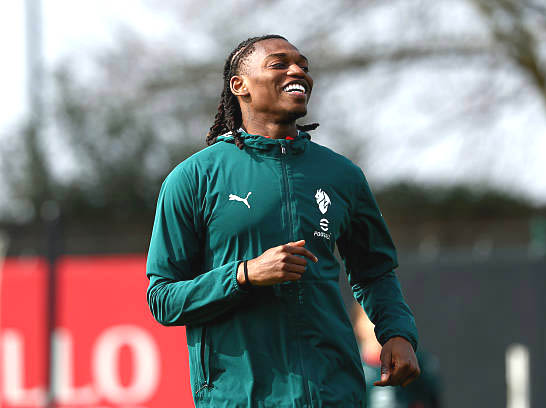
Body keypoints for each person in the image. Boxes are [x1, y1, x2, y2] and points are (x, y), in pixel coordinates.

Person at [146, 34, 420, 407]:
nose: (298, 72)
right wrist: (244, 274)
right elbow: (163, 299)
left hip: (333, 394)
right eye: (279, 64)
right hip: (239, 398)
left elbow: (375, 272)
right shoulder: (194, 177)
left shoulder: (342, 175)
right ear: (239, 85)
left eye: (303, 66)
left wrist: (397, 333)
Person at [352, 302, 441, 408]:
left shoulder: (411, 360)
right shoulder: (351, 365)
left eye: (382, 317)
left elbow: (428, 397)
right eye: (369, 317)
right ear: (357, 325)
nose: (376, 324)